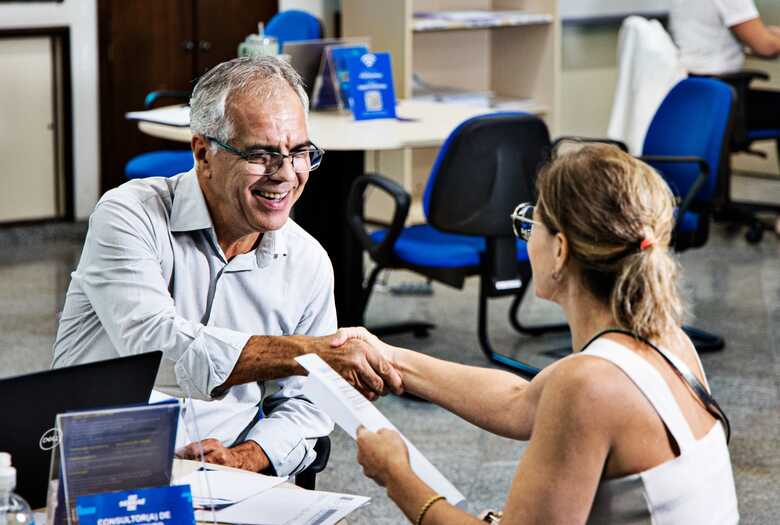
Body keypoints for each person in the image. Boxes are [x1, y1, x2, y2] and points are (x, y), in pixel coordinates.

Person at [346, 144, 738, 523]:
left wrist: (395, 474)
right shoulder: (668, 342)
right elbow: (517, 401)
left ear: (561, 249)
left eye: (533, 223)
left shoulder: (587, 384)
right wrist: (391, 357)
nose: (528, 236)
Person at [51, 56, 401, 477]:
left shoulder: (306, 261)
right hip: (107, 462)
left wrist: (247, 457)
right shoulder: (129, 215)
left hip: (233, 478)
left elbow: (306, 403)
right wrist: (306, 353)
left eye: (300, 152)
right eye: (262, 154)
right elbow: (153, 347)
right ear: (203, 153)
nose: (287, 174)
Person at [669, 0, 780, 235]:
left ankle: (720, 202)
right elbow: (765, 46)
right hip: (724, 97)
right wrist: (770, 37)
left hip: (694, 93)